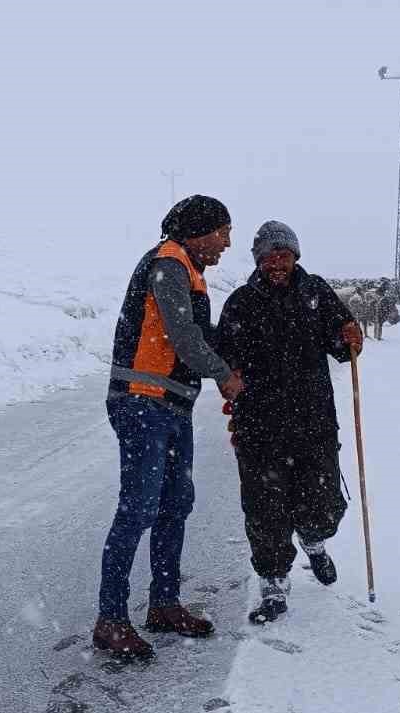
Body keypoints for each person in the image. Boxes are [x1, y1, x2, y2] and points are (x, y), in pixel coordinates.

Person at [93, 194, 244, 661]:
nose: (227, 244)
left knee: (176, 503)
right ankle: (110, 619)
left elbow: (200, 338)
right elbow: (183, 337)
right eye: (224, 232)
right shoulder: (169, 264)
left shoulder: (191, 272)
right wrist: (224, 375)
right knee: (138, 508)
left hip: (172, 406)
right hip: (142, 404)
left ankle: (163, 603)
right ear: (201, 230)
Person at [215, 220, 364, 624]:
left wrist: (352, 339)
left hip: (314, 422)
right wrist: (229, 375)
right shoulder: (241, 302)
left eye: (282, 255)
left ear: (295, 256)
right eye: (267, 257)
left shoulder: (315, 292)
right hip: (260, 427)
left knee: (321, 505)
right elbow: (223, 355)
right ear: (258, 261)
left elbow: (341, 344)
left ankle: (314, 541)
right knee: (265, 511)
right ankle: (274, 581)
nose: (275, 264)